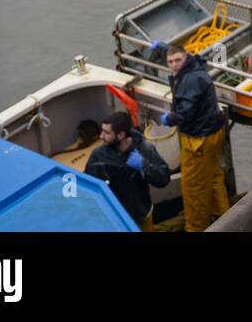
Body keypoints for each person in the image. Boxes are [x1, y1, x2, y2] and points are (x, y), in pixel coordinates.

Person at [151, 41, 230, 232]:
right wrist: (162, 49)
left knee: (194, 190)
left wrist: (168, 118)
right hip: (213, 133)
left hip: (198, 141)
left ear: (186, 57)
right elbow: (173, 54)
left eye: (177, 60)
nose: (174, 65)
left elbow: (185, 113)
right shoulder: (195, 65)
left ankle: (196, 227)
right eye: (170, 61)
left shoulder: (190, 81)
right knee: (213, 178)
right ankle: (227, 218)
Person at [85, 110, 170, 230]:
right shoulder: (98, 155)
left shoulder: (145, 149)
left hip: (141, 215)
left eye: (106, 133)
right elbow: (88, 183)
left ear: (120, 135)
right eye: (101, 131)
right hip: (114, 218)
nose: (101, 136)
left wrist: (143, 165)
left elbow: (164, 178)